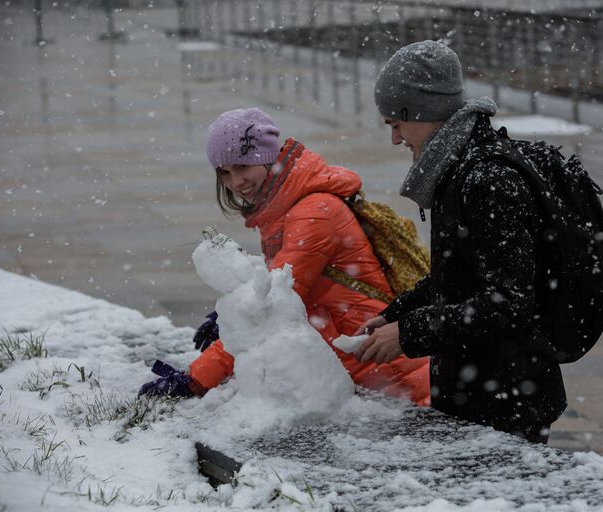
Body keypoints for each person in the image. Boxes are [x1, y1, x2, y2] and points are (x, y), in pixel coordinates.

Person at [141, 107, 430, 405]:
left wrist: (195, 380)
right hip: (367, 365)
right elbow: (279, 287)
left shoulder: (313, 215)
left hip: (392, 373)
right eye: (225, 173)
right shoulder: (284, 209)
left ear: (266, 158)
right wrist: (227, 318)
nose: (235, 182)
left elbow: (268, 314)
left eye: (242, 167)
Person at [355, 41, 567, 443]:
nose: (395, 140)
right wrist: (396, 314)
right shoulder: (458, 169)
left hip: (506, 397)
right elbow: (457, 275)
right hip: (482, 390)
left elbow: (508, 301)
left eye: (395, 125)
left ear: (421, 113)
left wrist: (409, 333)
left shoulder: (484, 179)